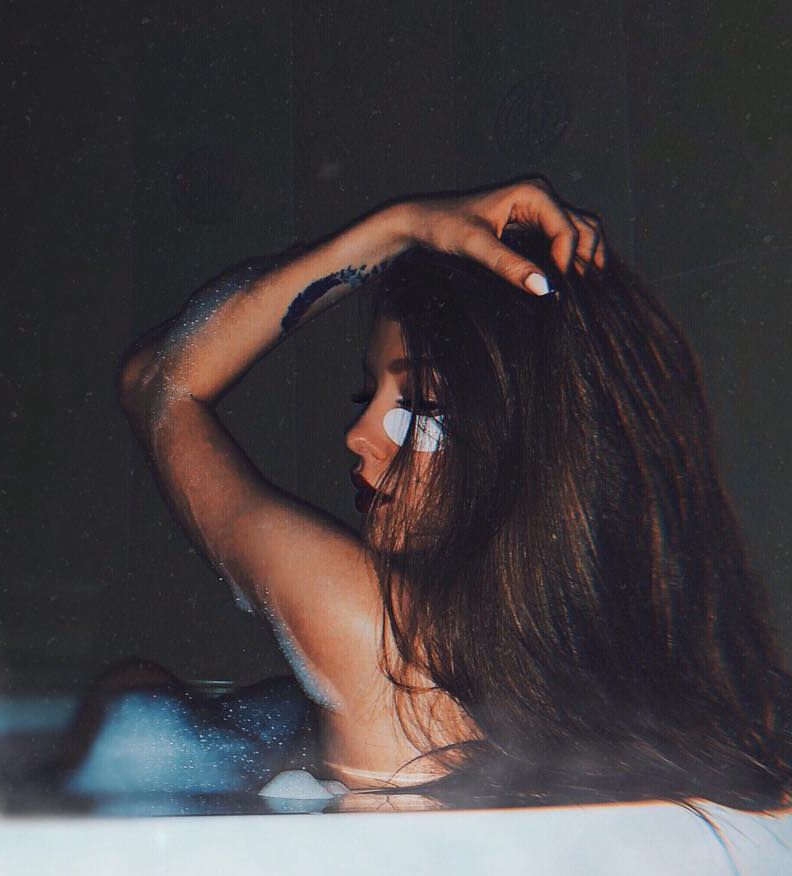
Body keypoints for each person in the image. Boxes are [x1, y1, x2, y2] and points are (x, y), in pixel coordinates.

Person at [83, 174, 791, 813]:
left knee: (131, 702)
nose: (358, 434)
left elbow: (156, 383)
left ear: (528, 457)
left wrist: (397, 228)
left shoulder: (377, 637)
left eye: (417, 406)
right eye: (367, 395)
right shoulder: (675, 691)